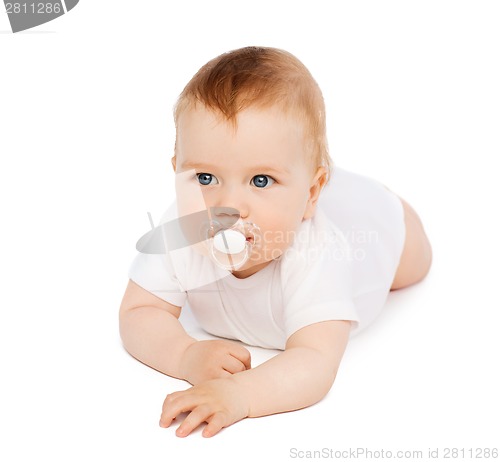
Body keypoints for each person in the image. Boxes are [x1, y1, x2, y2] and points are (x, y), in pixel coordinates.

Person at [119, 46, 432, 438]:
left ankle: (366, 197)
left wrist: (239, 394)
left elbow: (315, 360)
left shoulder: (317, 254)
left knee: (413, 267)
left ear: (311, 193)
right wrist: (185, 354)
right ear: (177, 170)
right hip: (308, 192)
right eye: (204, 178)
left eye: (260, 180)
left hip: (377, 224)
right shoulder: (182, 228)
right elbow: (138, 311)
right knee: (293, 171)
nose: (228, 207)